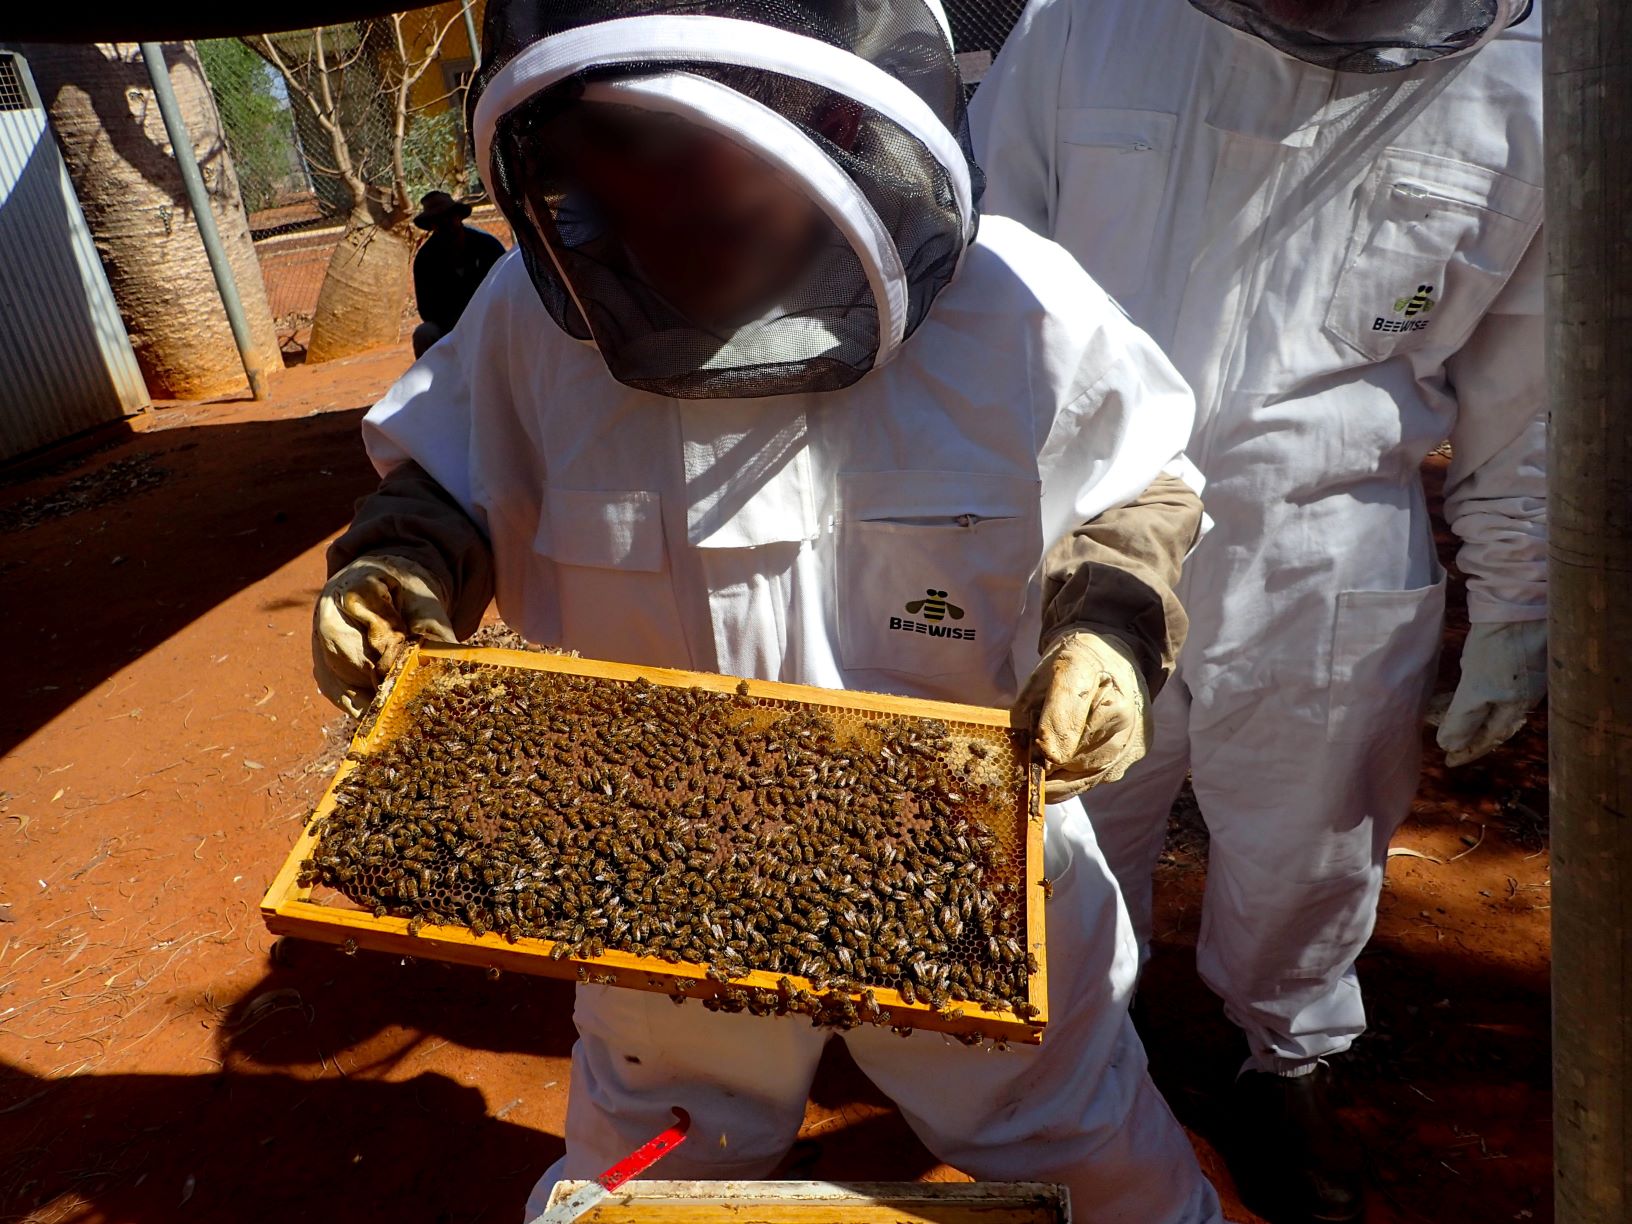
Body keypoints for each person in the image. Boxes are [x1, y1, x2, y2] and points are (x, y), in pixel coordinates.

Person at [310, 0, 1223, 1219]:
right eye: (629, 173)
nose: (677, 220)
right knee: (657, 1150)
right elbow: (450, 480)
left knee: (1074, 1142)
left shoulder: (1024, 307)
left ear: (831, 134)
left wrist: (1108, 632)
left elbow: (1135, 492)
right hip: (650, 879)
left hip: (965, 863)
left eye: (716, 178)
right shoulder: (533, 322)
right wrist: (403, 568)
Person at [970, 1, 1544, 1220]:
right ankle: (1075, 1070)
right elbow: (979, 268)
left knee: (1311, 844)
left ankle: (1290, 1062)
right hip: (1082, 522)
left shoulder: (1530, 82)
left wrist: (1516, 599)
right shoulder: (1087, 27)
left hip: (1326, 541)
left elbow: (1526, 384)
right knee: (1064, 820)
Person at [410, 190, 506, 358]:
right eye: (438, 220)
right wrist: (458, 324)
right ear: (431, 225)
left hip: (491, 319)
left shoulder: (487, 246)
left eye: (448, 216)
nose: (445, 223)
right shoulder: (426, 259)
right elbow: (427, 311)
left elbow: (507, 287)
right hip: (450, 328)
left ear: (458, 216)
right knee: (424, 333)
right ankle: (437, 382)